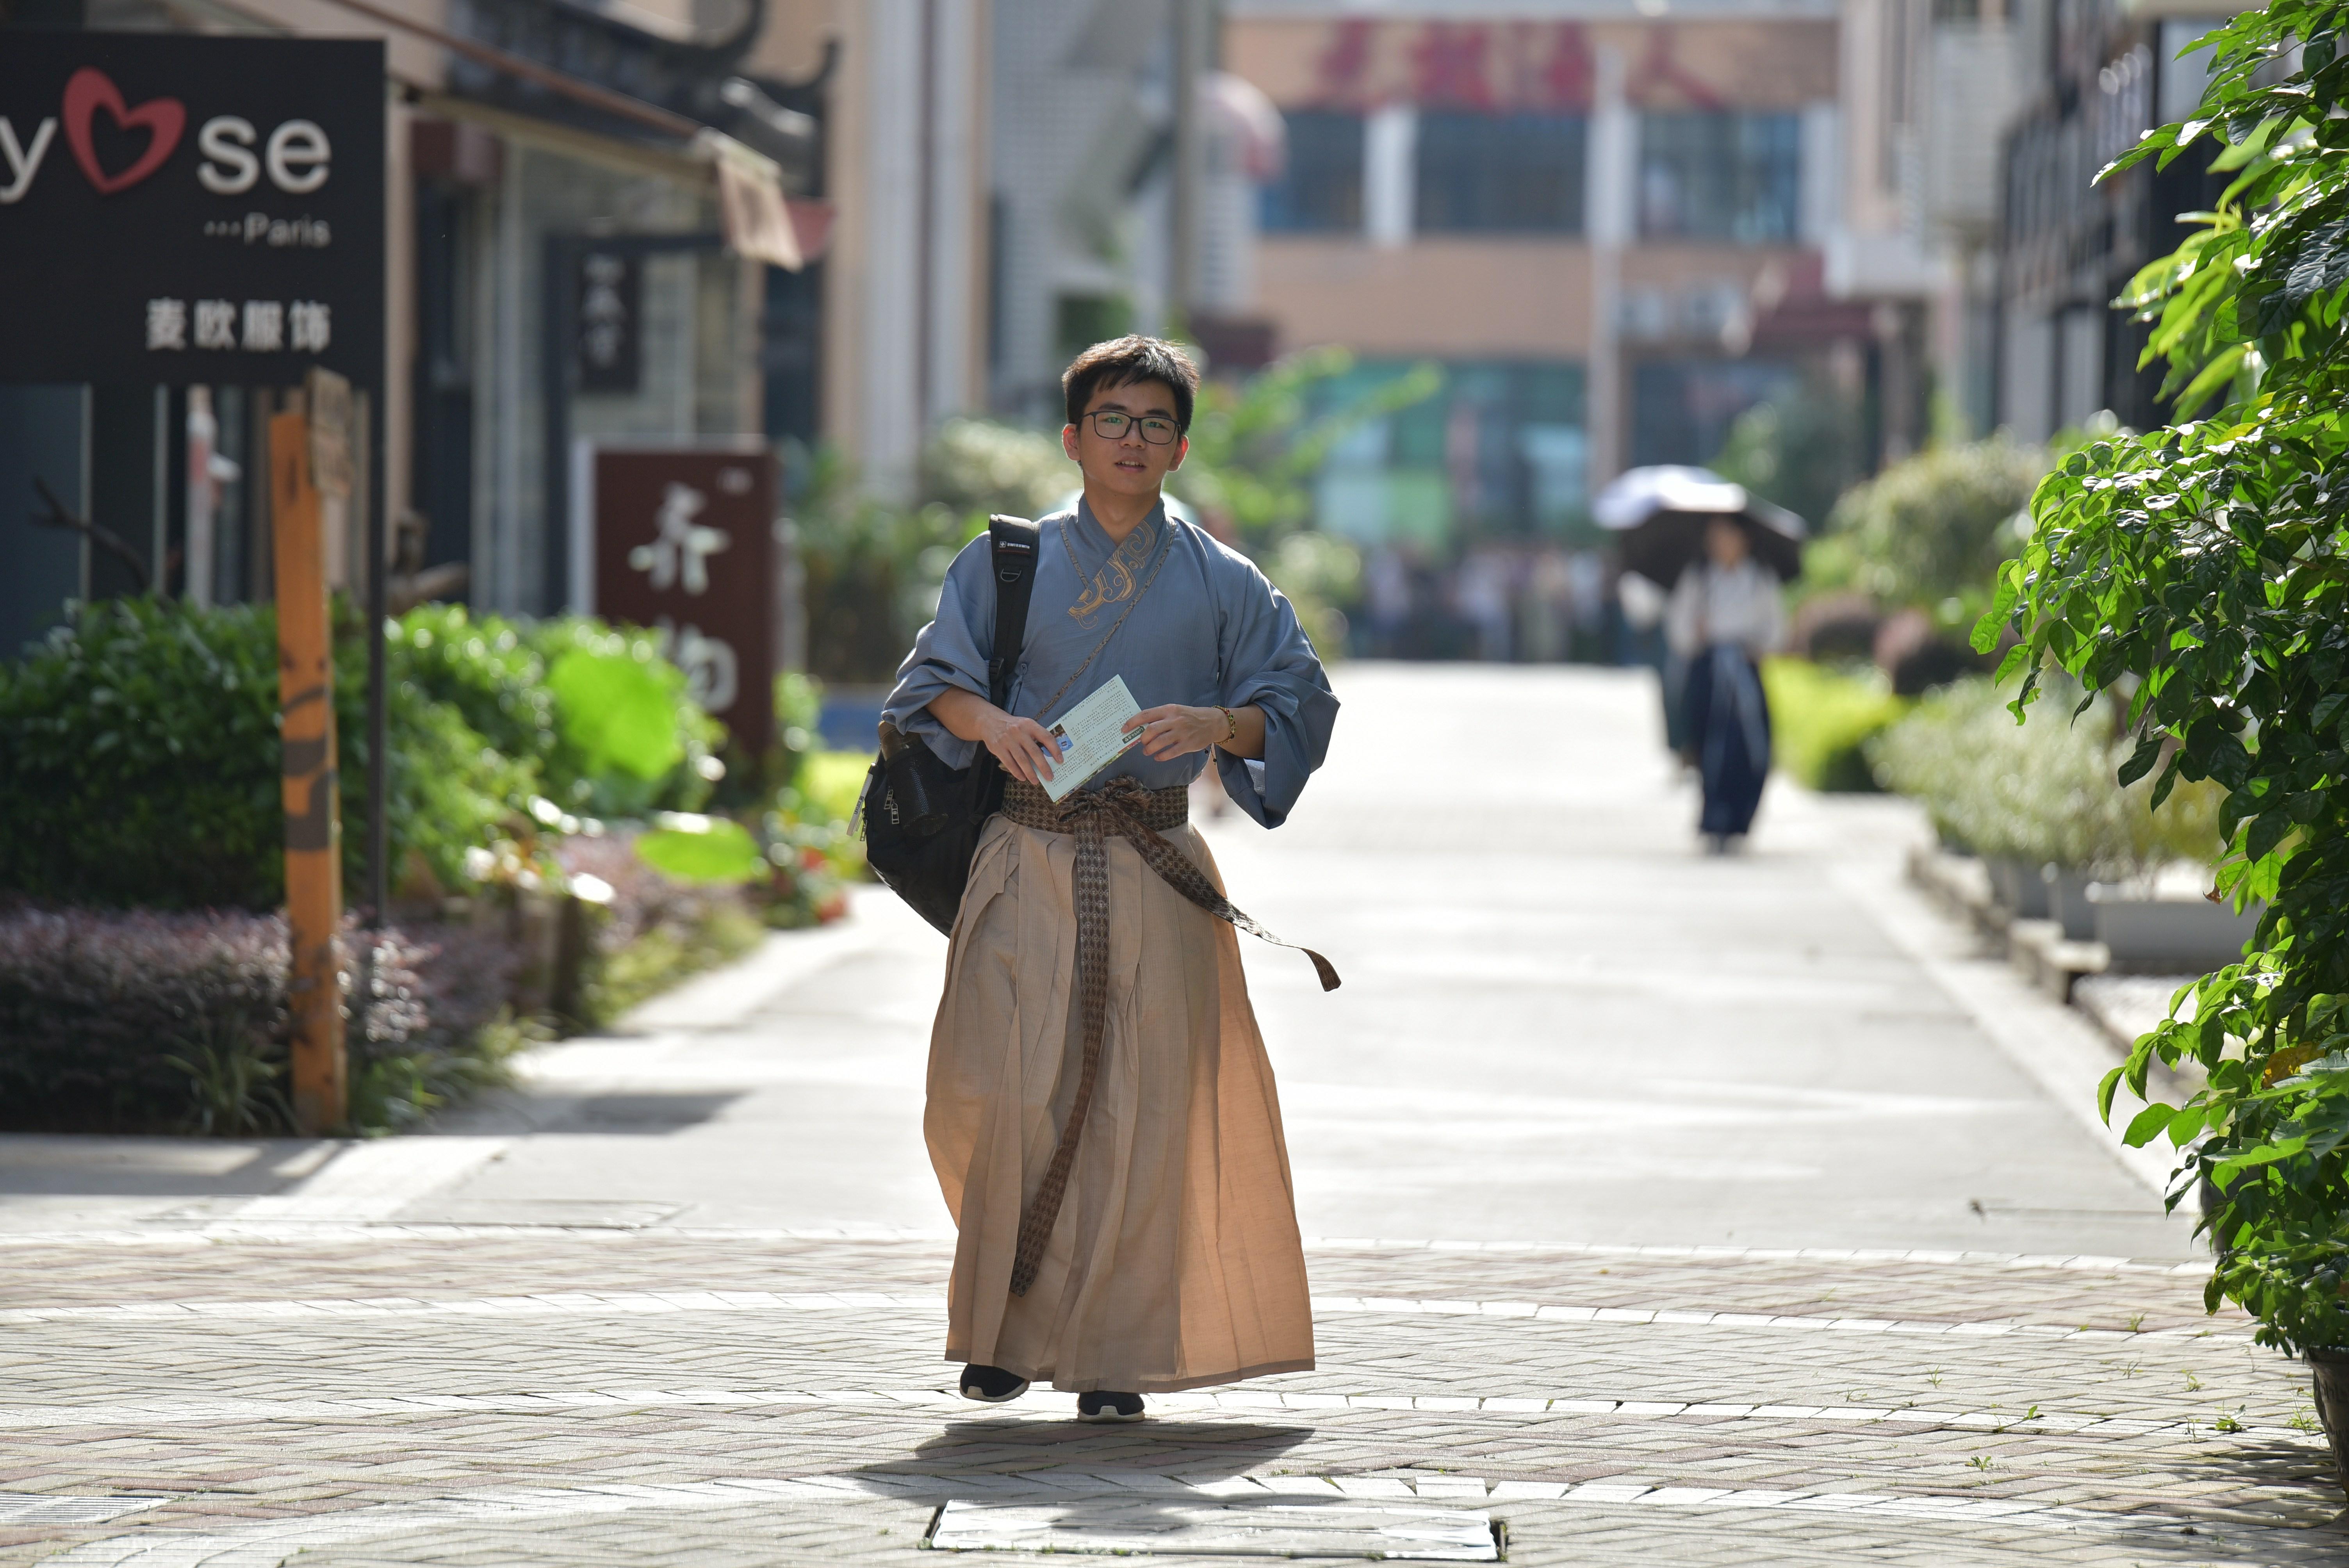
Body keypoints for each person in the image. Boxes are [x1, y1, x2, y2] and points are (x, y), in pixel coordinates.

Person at [880, 336, 1338, 1424]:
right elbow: (926, 688)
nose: (1133, 440)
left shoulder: (1229, 583)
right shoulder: (1009, 562)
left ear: (1180, 447)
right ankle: (1000, 1331)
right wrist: (991, 724)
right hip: (1022, 855)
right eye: (1113, 420)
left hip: (1155, 865)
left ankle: (1116, 1355)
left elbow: (1303, 704)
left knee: (1143, 1112)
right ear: (1075, 437)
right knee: (993, 1094)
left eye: (1155, 424)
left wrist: (1216, 722)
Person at [1666, 517, 1785, 852]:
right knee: (1709, 744)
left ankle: (1740, 818)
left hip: (1746, 671)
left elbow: (1777, 628)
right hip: (1709, 669)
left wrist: (1759, 648)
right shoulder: (1699, 579)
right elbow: (1679, 630)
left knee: (1747, 746)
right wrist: (1697, 634)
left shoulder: (1759, 579)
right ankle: (1713, 816)